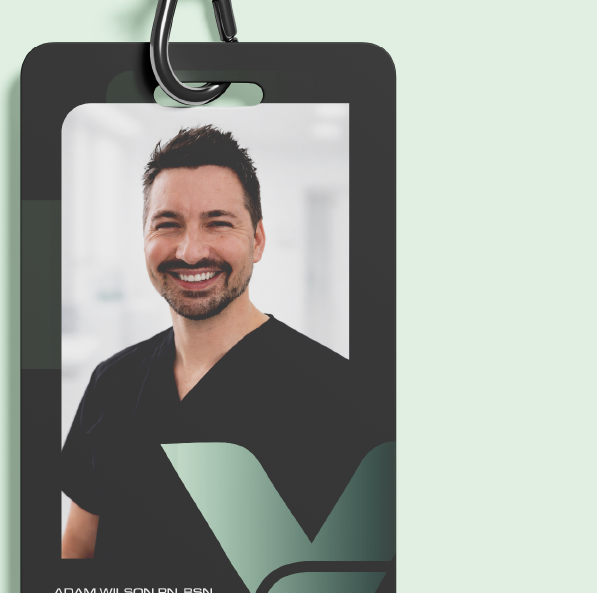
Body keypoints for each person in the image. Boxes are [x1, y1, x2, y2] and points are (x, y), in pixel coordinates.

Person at [60, 124, 387, 563]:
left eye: (218, 223)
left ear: (257, 241)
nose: (191, 251)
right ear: (145, 240)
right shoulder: (111, 383)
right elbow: (79, 548)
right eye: (167, 224)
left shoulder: (337, 395)